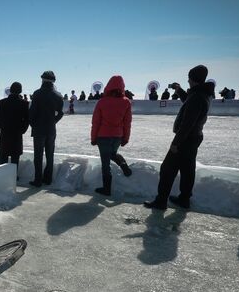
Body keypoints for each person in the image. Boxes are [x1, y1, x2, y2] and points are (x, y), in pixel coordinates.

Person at [144, 65, 215, 210]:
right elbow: (190, 101)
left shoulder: (197, 97)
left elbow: (188, 123)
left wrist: (176, 143)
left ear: (193, 78)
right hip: (194, 137)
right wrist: (179, 90)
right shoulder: (202, 93)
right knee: (187, 169)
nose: (188, 81)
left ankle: (161, 200)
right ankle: (184, 199)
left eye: (189, 78)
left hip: (186, 138)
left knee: (167, 169)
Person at [90, 75, 133, 196]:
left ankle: (106, 189)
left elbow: (96, 122)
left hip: (103, 135)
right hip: (117, 136)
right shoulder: (126, 102)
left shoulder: (102, 102)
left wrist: (93, 138)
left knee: (105, 162)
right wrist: (126, 137)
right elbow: (127, 122)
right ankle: (123, 164)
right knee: (112, 154)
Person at [28, 70, 64, 186]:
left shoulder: (37, 93)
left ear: (43, 79)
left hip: (39, 130)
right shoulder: (58, 95)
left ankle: (38, 180)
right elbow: (60, 113)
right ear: (53, 81)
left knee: (38, 156)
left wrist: (33, 125)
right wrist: (53, 122)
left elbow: (32, 113)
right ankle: (47, 179)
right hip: (51, 130)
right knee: (50, 155)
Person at [0, 81, 30, 173]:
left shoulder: (2, 103)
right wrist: (22, 130)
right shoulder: (24, 103)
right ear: (20, 91)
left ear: (10, 90)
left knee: (3, 156)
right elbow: (27, 120)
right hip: (17, 134)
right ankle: (13, 176)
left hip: (5, 134)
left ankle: (1, 175)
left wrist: (3, 127)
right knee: (15, 157)